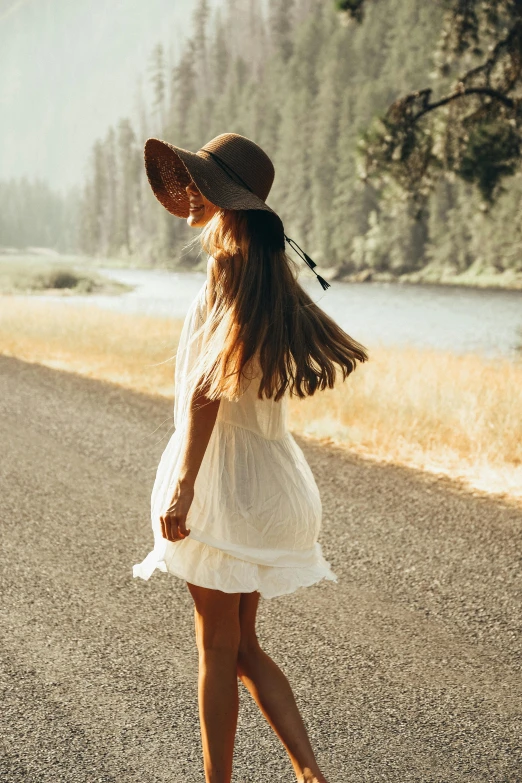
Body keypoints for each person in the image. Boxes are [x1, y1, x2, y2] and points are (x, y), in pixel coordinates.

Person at [133, 132, 369, 783]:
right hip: (270, 485)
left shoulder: (225, 271)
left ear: (223, 196)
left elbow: (207, 391)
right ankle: (310, 773)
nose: (188, 189)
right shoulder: (269, 275)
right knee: (241, 646)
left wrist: (182, 487)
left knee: (216, 647)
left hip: (220, 483)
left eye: (200, 180)